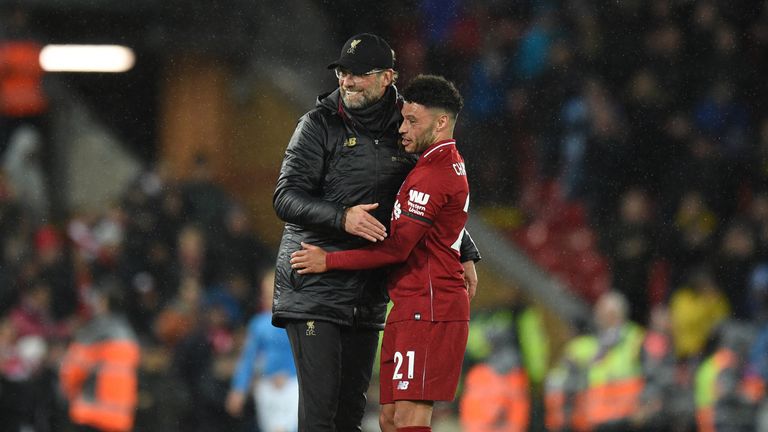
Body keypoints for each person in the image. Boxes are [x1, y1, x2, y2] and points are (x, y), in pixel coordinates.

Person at [272, 33, 480, 431]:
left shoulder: (409, 124)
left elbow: (425, 201)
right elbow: (285, 197)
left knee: (351, 416)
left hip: (367, 291)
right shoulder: (318, 124)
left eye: (359, 75)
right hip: (315, 281)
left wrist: (462, 248)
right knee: (321, 416)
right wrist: (341, 217)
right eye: (343, 73)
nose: (347, 82)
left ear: (388, 77)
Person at [59, 277, 140, 432]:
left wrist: (68, 394)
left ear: (104, 302)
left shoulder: (95, 333)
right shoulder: (129, 335)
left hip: (92, 415)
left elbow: (72, 370)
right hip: (120, 419)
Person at [225, 270, 298, 432]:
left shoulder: (296, 322)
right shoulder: (258, 324)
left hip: (293, 385)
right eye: (265, 294)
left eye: (272, 293)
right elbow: (248, 358)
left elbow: (304, 355)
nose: (268, 298)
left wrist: (289, 372)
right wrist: (238, 389)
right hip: (267, 386)